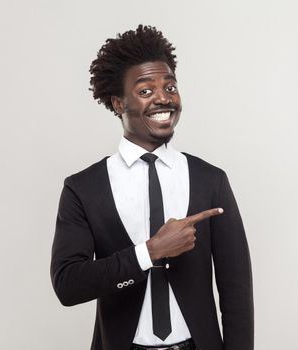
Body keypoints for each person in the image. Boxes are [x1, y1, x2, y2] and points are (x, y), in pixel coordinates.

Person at [51, 24, 253, 350]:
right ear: (118, 103)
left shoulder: (210, 180)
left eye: (170, 87)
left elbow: (236, 291)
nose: (163, 97)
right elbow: (68, 285)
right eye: (145, 91)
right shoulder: (83, 189)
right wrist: (150, 252)